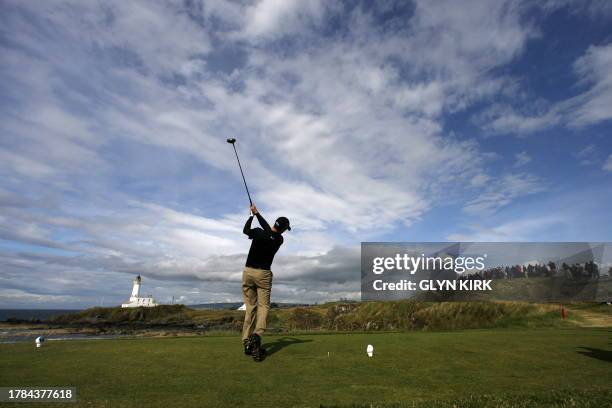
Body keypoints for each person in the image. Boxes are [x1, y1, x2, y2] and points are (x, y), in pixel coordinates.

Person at [241, 204, 290, 361]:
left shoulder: (259, 233)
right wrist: (256, 214)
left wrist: (252, 215)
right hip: (263, 274)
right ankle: (256, 334)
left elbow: (246, 231)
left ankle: (246, 341)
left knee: (250, 308)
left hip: (248, 272)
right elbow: (269, 232)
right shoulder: (279, 239)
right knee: (263, 306)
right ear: (283, 229)